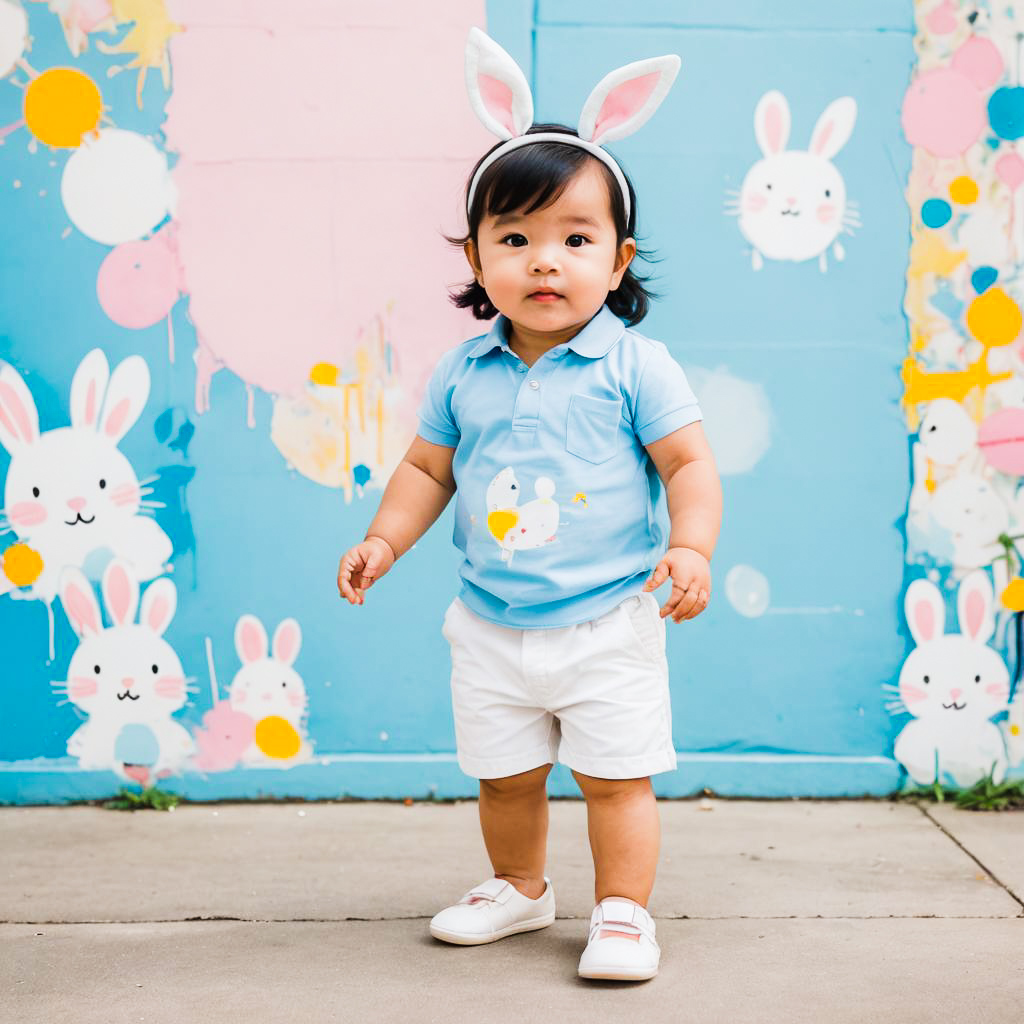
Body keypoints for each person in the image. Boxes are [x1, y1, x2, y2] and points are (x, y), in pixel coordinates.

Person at [336, 28, 722, 982]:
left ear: (619, 259)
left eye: (575, 240)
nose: (545, 262)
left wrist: (692, 547)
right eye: (516, 239)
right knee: (505, 775)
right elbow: (430, 471)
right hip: (490, 620)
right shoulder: (465, 369)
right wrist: (386, 539)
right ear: (476, 253)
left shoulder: (635, 365)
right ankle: (519, 887)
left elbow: (689, 464)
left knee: (614, 777)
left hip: (607, 619)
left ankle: (624, 912)